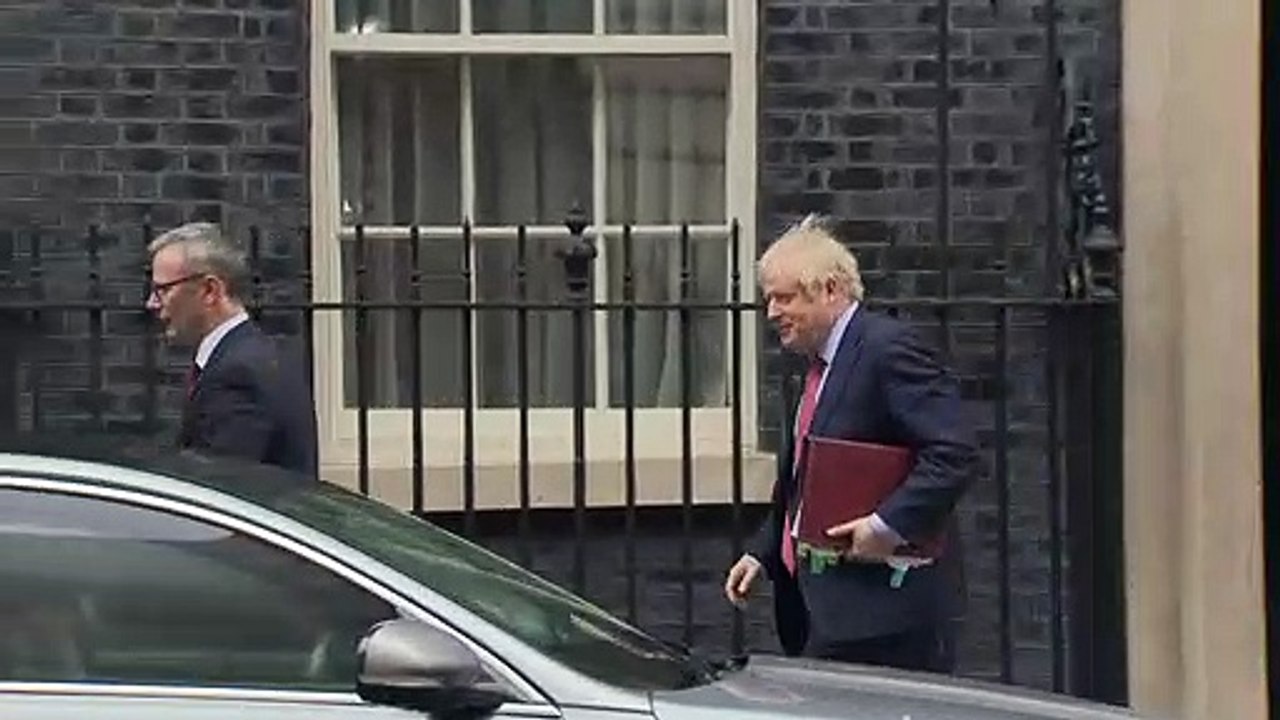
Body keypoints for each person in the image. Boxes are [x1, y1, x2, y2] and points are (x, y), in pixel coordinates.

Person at [723, 215, 976, 673]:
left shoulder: (888, 350)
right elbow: (806, 477)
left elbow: (952, 453)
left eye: (785, 297)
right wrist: (762, 552)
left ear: (831, 290)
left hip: (883, 621)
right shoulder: (823, 365)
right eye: (768, 300)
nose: (772, 313)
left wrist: (885, 526)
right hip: (826, 614)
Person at [145, 222, 318, 477]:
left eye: (163, 290)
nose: (152, 304)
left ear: (209, 290)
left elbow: (223, 488)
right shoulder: (252, 355)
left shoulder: (237, 374)